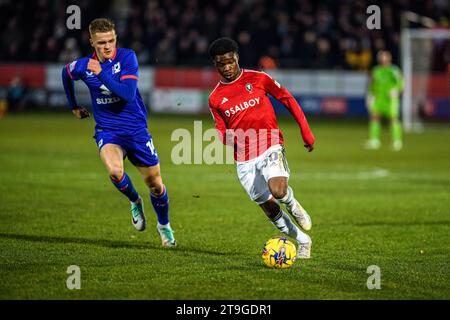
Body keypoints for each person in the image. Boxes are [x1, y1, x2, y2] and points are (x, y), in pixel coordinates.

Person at [61, 18, 176, 246]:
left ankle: (164, 226)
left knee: (155, 185)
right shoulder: (83, 65)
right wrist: (73, 105)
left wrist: (101, 73)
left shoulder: (127, 57)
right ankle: (135, 201)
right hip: (108, 130)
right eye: (102, 42)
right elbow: (66, 74)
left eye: (111, 40)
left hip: (135, 130)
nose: (107, 46)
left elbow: (128, 93)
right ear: (91, 41)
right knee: (115, 171)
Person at [208, 38, 315, 258]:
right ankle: (303, 241)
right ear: (215, 64)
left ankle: (292, 203)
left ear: (237, 57)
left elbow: (287, 98)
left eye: (230, 61)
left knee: (278, 190)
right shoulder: (215, 98)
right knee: (269, 208)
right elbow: (220, 129)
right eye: (221, 64)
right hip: (244, 158)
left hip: (269, 144)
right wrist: (226, 139)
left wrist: (305, 130)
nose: (227, 67)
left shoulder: (258, 78)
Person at [366, 50, 404, 151]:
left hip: (390, 99)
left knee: (393, 119)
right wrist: (370, 97)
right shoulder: (376, 70)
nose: (383, 59)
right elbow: (371, 84)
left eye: (385, 57)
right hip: (379, 98)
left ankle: (397, 141)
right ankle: (374, 140)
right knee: (374, 117)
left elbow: (401, 83)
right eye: (381, 57)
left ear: (389, 58)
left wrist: (396, 91)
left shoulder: (394, 70)